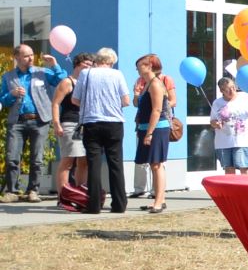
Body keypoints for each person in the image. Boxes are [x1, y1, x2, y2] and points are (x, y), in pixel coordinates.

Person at [3, 43, 66, 202]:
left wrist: (55, 64)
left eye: (32, 54)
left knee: (37, 159)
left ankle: (33, 191)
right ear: (16, 57)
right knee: (12, 157)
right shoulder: (8, 76)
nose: (31, 58)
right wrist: (12, 94)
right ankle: (12, 191)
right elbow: (2, 99)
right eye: (26, 55)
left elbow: (62, 81)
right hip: (17, 121)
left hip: (39, 120)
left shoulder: (42, 72)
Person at [71, 50, 131, 214]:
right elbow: (126, 101)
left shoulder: (86, 74)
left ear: (98, 59)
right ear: (111, 61)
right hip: (114, 123)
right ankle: (119, 204)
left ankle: (94, 205)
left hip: (92, 122)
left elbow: (75, 99)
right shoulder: (117, 74)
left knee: (94, 164)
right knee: (115, 164)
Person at [130, 55, 175, 214]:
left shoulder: (155, 84)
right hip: (146, 128)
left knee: (157, 164)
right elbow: (140, 106)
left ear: (149, 66)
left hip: (157, 129)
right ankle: (159, 200)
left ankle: (158, 201)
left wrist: (149, 133)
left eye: (139, 65)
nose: (137, 69)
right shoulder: (146, 84)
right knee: (153, 164)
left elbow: (157, 110)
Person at [50, 52, 94, 198]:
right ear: (77, 64)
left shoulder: (88, 83)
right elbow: (56, 103)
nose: (88, 66)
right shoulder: (67, 82)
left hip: (85, 123)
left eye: (91, 65)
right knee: (68, 160)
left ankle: (80, 193)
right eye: (85, 64)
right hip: (70, 123)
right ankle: (63, 196)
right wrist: (56, 123)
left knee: (84, 161)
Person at [209, 76, 248, 175]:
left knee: (244, 169)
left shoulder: (246, 97)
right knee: (228, 170)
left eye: (233, 87)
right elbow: (212, 121)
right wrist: (216, 124)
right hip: (224, 142)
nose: (232, 91)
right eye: (227, 89)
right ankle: (231, 191)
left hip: (243, 141)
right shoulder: (217, 103)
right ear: (221, 90)